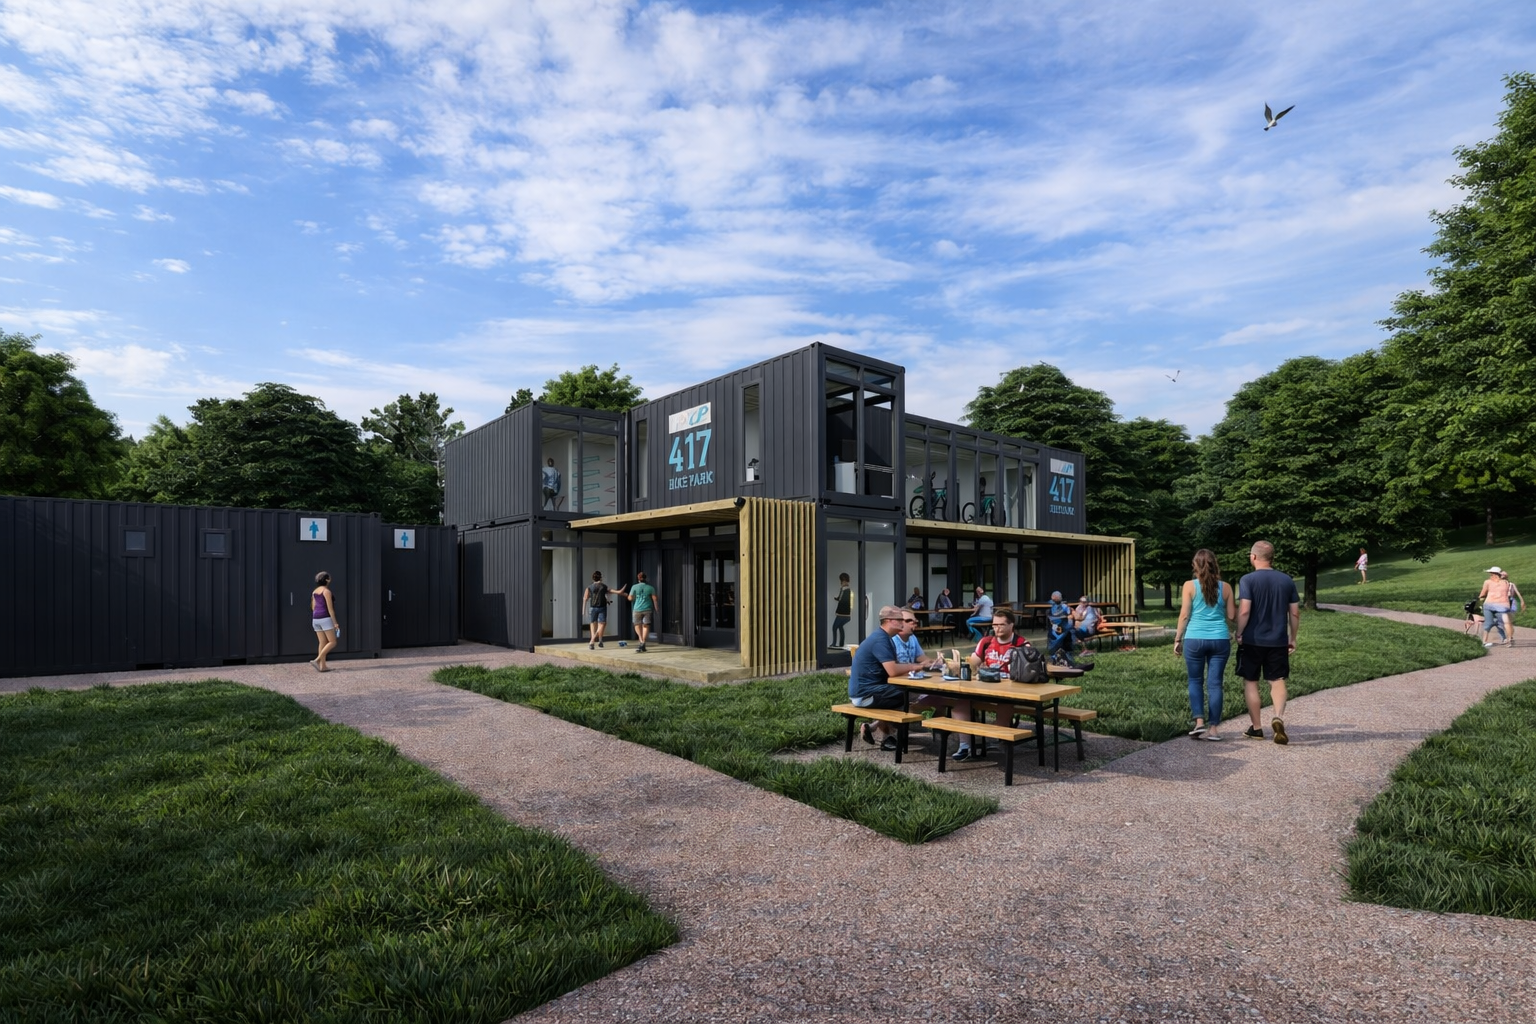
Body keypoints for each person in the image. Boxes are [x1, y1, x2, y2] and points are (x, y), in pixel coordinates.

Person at [1235, 540, 1300, 744]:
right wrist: (1293, 637)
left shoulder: (1247, 580)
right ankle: (1278, 717)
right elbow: (1295, 613)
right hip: (1278, 640)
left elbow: (1245, 610)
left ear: (1253, 557)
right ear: (1272, 558)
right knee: (1277, 680)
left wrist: (1239, 632)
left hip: (1253, 640)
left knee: (1251, 682)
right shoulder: (1287, 580)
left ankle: (1256, 728)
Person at [1174, 549, 1237, 741]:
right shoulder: (1226, 587)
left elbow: (1185, 615)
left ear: (1195, 565)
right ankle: (1214, 729)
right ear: (1214, 564)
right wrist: (1236, 632)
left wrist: (1177, 638)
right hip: (1220, 639)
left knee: (1195, 681)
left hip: (1194, 638)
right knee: (1215, 684)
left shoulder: (1189, 586)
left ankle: (1199, 722)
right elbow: (1232, 616)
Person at [849, 605, 931, 751]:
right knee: (911, 693)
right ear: (889, 621)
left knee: (907, 695)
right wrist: (914, 667)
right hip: (865, 695)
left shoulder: (885, 638)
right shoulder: (880, 640)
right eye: (900, 619)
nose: (902, 623)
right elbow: (892, 671)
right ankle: (892, 736)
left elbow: (892, 669)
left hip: (867, 691)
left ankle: (883, 732)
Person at [1477, 566, 1515, 648]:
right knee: (1504, 623)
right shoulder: (1506, 583)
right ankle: (1508, 640)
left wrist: (1479, 599)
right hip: (1503, 606)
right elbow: (1510, 594)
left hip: (1489, 604)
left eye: (1491, 574)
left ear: (1494, 574)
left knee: (1488, 623)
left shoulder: (1487, 582)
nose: (1490, 575)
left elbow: (1483, 593)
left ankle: (1484, 641)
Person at [621, 570, 658, 652]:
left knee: (637, 624)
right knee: (646, 625)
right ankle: (643, 642)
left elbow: (630, 598)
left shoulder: (634, 587)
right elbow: (655, 599)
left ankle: (641, 640)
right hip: (647, 609)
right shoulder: (650, 588)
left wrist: (630, 597)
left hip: (637, 609)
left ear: (638, 579)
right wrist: (656, 609)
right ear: (646, 579)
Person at [309, 570, 338, 672]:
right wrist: (335, 623)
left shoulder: (314, 592)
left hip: (315, 619)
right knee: (333, 642)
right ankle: (317, 660)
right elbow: (330, 609)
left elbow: (313, 607)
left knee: (322, 642)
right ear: (327, 580)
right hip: (325, 618)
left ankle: (323, 666)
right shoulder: (326, 591)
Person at [583, 570, 612, 649]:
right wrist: (608, 601)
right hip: (602, 607)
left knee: (592, 624)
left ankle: (593, 641)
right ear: (601, 577)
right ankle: (598, 640)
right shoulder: (604, 586)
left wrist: (583, 610)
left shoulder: (589, 587)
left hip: (592, 607)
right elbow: (608, 594)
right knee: (602, 624)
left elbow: (585, 598)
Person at [1499, 570, 1522, 647]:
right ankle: (1509, 638)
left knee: (1508, 622)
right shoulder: (1497, 585)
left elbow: (1517, 593)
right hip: (1501, 603)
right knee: (1503, 623)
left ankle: (1509, 639)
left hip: (1510, 603)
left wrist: (1522, 601)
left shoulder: (1511, 584)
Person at [831, 573, 852, 648]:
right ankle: (841, 643)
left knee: (834, 627)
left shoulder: (846, 590)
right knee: (839, 627)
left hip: (842, 613)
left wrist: (838, 599)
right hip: (844, 613)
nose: (841, 583)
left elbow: (843, 601)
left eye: (842, 581)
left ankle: (834, 643)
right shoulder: (844, 590)